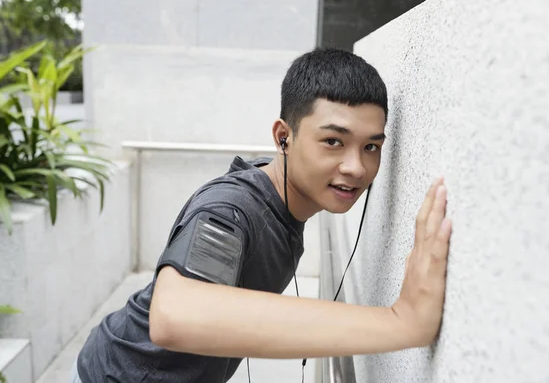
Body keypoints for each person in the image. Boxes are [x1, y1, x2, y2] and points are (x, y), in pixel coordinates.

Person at [73, 48, 452, 382]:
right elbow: (174, 314)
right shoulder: (231, 209)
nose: (356, 167)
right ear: (283, 138)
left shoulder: (282, 190)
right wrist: (401, 321)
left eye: (371, 146)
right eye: (333, 141)